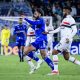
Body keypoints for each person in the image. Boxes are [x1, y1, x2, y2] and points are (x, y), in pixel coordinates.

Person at [43, 6, 80, 75]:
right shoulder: (64, 20)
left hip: (66, 39)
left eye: (64, 11)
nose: (63, 12)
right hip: (66, 40)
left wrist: (69, 38)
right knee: (67, 57)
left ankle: (55, 71)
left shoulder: (71, 19)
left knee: (54, 52)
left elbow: (75, 30)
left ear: (68, 11)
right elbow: (59, 29)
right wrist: (49, 32)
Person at [23, 8, 56, 75]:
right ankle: (39, 60)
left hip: (42, 40)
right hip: (38, 40)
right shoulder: (37, 22)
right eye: (34, 13)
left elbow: (33, 23)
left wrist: (26, 19)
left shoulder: (41, 20)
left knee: (44, 56)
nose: (35, 14)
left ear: (40, 14)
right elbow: (34, 26)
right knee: (25, 51)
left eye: (36, 13)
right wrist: (30, 26)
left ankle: (54, 70)